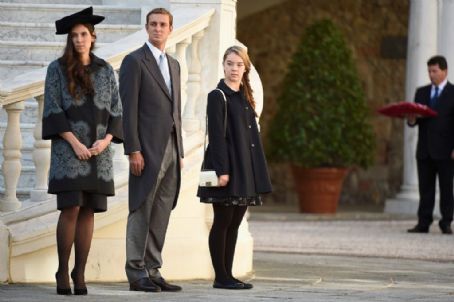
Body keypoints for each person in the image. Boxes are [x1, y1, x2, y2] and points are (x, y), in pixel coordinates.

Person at [42, 7, 123, 295]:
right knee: (71, 208)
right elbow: (52, 109)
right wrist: (74, 143)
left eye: (83, 35)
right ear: (70, 39)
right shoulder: (57, 69)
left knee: (89, 210)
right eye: (74, 35)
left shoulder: (105, 70)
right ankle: (63, 271)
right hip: (68, 153)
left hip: (99, 155)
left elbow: (116, 111)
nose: (79, 39)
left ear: (92, 37)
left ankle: (80, 273)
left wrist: (105, 141)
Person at [119, 8, 184, 293]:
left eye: (163, 25)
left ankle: (153, 268)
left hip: (172, 146)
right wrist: (133, 149)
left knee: (162, 210)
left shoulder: (174, 64)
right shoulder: (134, 61)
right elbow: (128, 109)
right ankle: (136, 272)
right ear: (147, 28)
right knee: (141, 207)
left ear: (170, 29)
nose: (158, 28)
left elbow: (175, 110)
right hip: (146, 150)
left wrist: (179, 149)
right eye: (153, 24)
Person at [197, 46, 272, 289]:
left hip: (245, 166)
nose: (234, 69)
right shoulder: (217, 96)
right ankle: (220, 277)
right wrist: (222, 171)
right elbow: (217, 137)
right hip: (228, 167)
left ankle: (228, 275)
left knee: (235, 222)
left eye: (239, 64)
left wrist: (255, 170)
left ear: (245, 67)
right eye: (230, 63)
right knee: (222, 221)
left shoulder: (245, 96)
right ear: (224, 65)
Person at [407, 55, 454, 235]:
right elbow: (414, 121)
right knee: (425, 188)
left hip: (446, 150)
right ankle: (423, 221)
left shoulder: (453, 93)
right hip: (425, 149)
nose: (431, 75)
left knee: (446, 187)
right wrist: (411, 121)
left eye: (434, 71)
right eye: (429, 71)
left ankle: (446, 221)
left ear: (444, 71)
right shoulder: (421, 92)